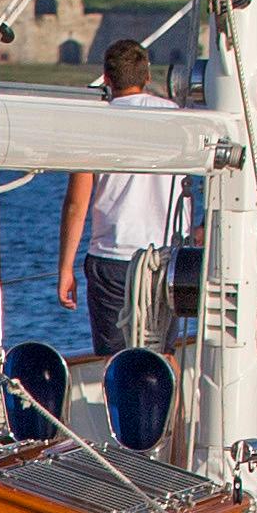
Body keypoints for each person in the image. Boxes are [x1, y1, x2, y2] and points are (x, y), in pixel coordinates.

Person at [58, 35, 187, 357]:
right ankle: (174, 408)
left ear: (106, 78)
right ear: (147, 77)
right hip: (167, 255)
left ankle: (121, 406)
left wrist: (65, 268)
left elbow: (77, 204)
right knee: (164, 351)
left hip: (113, 256)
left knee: (115, 358)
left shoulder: (93, 125)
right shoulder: (179, 119)